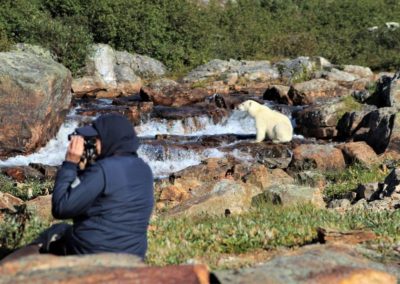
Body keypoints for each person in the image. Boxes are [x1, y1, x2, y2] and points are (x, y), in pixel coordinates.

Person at [49, 113, 154, 259]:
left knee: (52, 235)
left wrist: (70, 164)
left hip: (93, 253)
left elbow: (61, 208)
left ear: (109, 139)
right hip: (134, 254)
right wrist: (84, 170)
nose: (94, 143)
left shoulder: (102, 170)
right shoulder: (145, 169)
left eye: (97, 139)